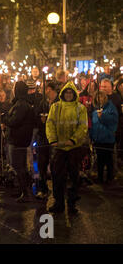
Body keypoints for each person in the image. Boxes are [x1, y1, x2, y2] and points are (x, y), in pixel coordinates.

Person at [46, 82, 88, 214]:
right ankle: (58, 202)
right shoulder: (55, 107)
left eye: (71, 93)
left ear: (74, 94)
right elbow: (50, 124)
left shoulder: (80, 108)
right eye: (66, 92)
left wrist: (73, 140)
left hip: (74, 148)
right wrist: (52, 140)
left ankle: (71, 204)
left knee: (73, 177)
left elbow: (83, 127)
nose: (68, 95)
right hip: (59, 148)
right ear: (63, 94)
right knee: (57, 176)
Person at [2, 81, 35, 203]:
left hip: (18, 140)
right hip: (20, 139)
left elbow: (14, 121)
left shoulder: (21, 104)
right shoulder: (22, 103)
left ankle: (25, 192)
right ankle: (23, 190)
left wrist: (4, 118)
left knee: (19, 166)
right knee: (20, 166)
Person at [33, 82, 59, 200]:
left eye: (44, 88)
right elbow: (35, 118)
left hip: (55, 139)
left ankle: (57, 193)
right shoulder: (42, 103)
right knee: (42, 165)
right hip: (43, 138)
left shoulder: (59, 103)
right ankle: (43, 189)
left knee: (56, 167)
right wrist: (40, 120)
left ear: (49, 89)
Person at [90, 91, 118, 184]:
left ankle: (110, 177)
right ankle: (100, 177)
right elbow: (94, 125)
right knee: (100, 159)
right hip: (98, 139)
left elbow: (114, 121)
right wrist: (92, 136)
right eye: (97, 97)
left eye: (101, 97)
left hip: (107, 138)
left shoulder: (111, 108)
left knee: (108, 159)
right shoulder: (95, 111)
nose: (99, 99)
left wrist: (103, 116)